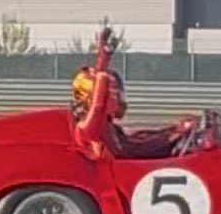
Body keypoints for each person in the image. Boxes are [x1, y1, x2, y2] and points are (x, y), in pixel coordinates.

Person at [70, 30, 197, 159]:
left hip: (132, 163)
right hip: (123, 173)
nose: (118, 99)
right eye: (113, 93)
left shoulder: (107, 128)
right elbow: (97, 105)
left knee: (143, 135)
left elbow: (138, 142)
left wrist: (174, 131)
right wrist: (102, 66)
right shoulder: (88, 129)